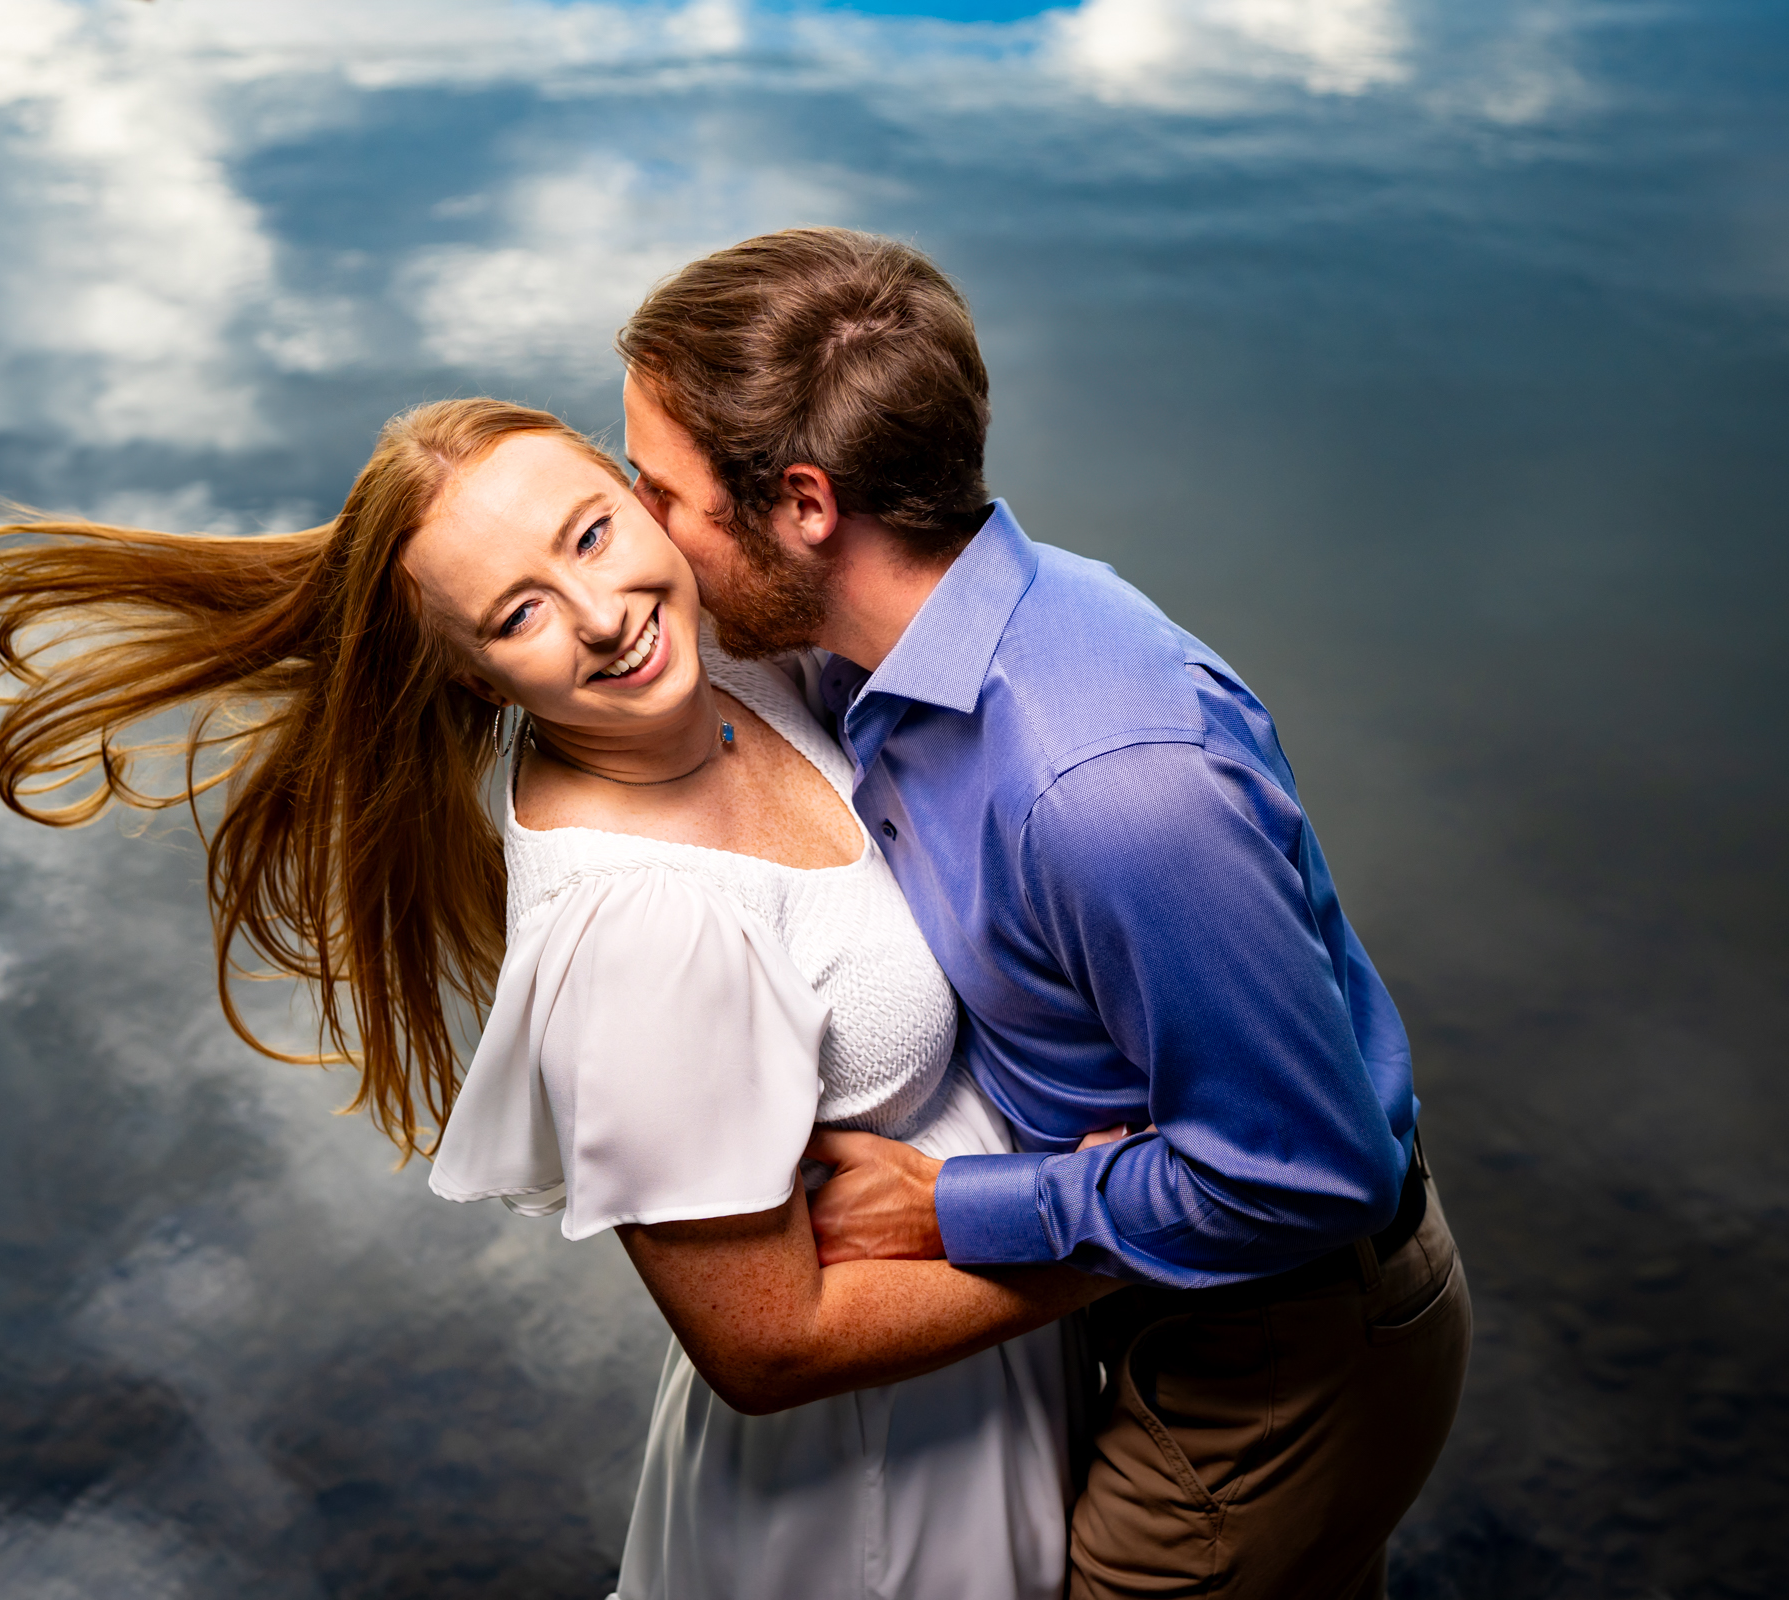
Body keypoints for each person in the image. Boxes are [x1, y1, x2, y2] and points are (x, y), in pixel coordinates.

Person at [0, 398, 1114, 1600]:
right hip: (883, 1483)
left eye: (589, 535)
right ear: (471, 673)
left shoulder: (735, 659)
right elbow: (768, 1343)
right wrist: (1114, 1236)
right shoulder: (643, 929)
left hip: (986, 1321)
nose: (603, 618)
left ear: (644, 496)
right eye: (519, 614)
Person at [614, 227, 1472, 1599]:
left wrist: (965, 1204)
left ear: (806, 506)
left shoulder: (1111, 788)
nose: (643, 538)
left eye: (659, 495)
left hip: (1281, 1360)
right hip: (1159, 1305)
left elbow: (1311, 1176)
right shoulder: (881, 652)